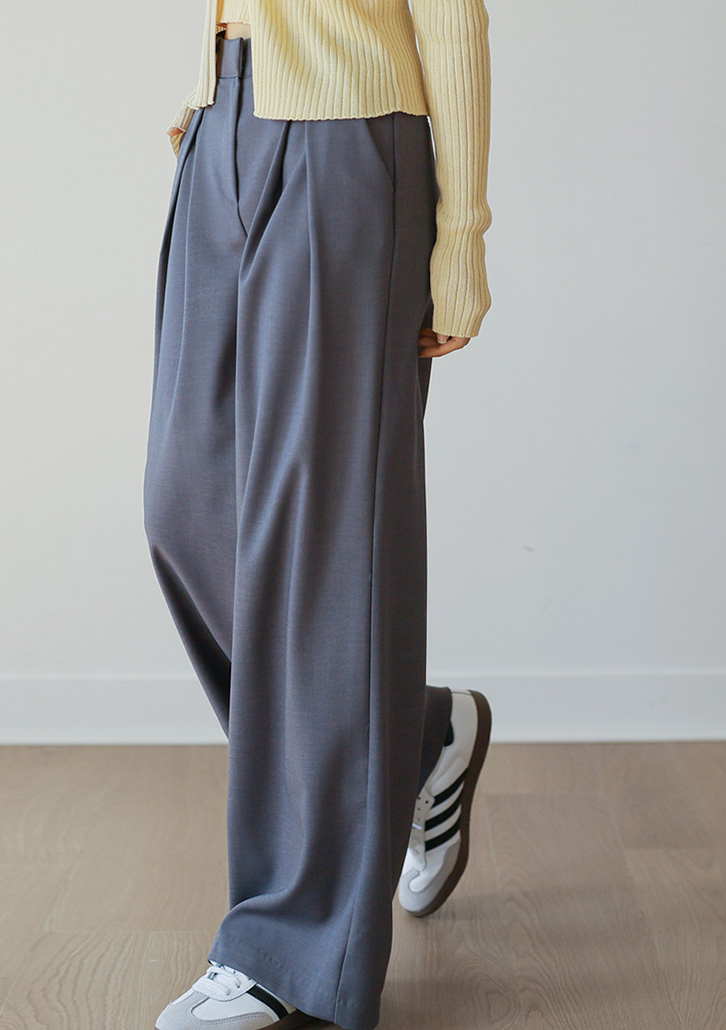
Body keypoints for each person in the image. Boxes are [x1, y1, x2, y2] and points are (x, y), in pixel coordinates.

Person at [143, 2, 493, 1028]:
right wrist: (212, 103)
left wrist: (461, 236)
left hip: (350, 139)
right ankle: (412, 737)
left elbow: (453, 19)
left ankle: (292, 954)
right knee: (183, 504)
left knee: (324, 551)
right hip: (220, 120)